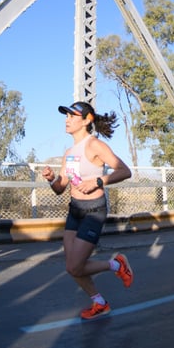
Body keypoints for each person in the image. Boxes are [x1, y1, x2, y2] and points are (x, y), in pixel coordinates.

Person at [42, 101, 133, 320]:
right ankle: (99, 302)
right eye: (66, 116)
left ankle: (116, 264)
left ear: (86, 121)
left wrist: (98, 182)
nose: (67, 119)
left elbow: (125, 171)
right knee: (72, 268)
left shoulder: (94, 146)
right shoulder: (69, 152)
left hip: (93, 211)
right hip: (75, 210)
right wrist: (52, 178)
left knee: (75, 266)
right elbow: (60, 187)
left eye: (72, 116)